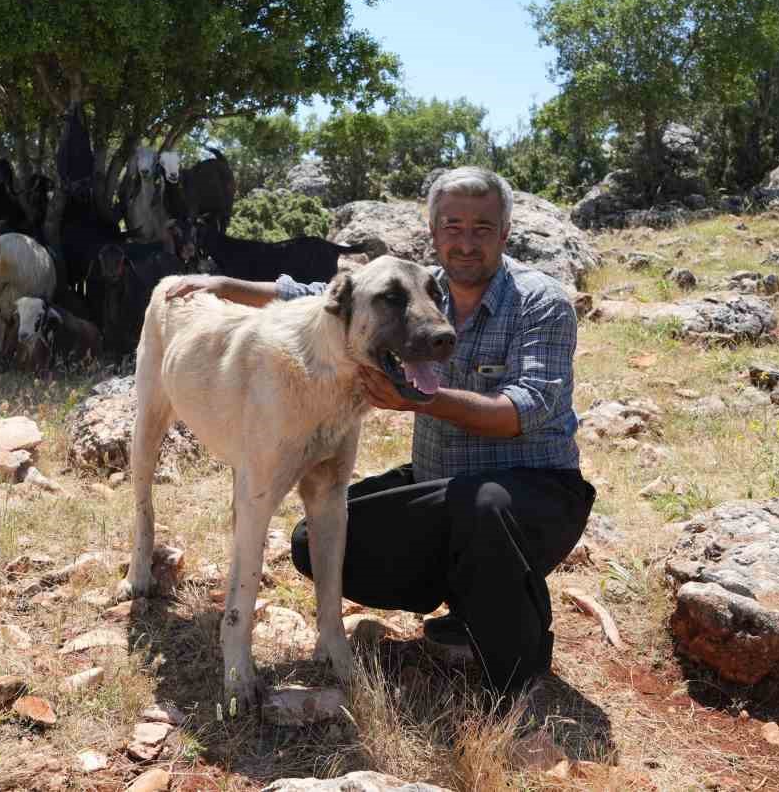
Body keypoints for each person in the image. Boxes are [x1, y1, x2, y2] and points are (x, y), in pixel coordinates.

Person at [166, 166, 594, 702]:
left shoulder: (539, 302)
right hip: (444, 486)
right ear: (434, 233)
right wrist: (224, 286)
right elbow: (316, 293)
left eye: (483, 228)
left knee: (485, 508)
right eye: (453, 226)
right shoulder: (415, 286)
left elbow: (525, 408)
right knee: (312, 541)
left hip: (535, 495)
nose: (466, 241)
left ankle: (515, 667)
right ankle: (465, 606)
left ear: (506, 233)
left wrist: (423, 400)